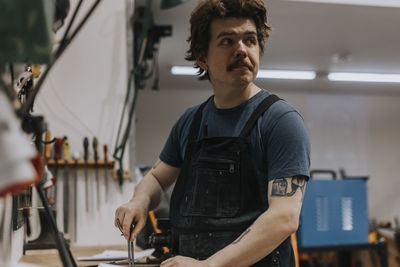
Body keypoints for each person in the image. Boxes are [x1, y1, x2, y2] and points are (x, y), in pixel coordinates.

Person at [114, 0, 310, 266]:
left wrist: (209, 265)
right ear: (202, 57)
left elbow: (284, 217)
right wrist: (139, 200)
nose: (241, 50)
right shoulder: (190, 121)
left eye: (250, 40)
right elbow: (158, 179)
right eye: (227, 41)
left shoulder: (280, 121)